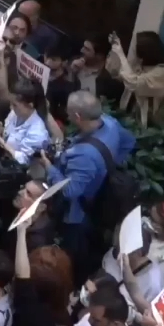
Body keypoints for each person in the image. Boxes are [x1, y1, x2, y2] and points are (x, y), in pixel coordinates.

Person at [36, 90, 135, 282]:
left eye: (69, 113)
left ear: (78, 117)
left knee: (75, 253)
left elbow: (70, 191)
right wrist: (108, 166)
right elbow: (129, 142)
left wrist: (50, 168)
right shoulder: (110, 123)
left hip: (78, 214)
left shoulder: (83, 156)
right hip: (100, 192)